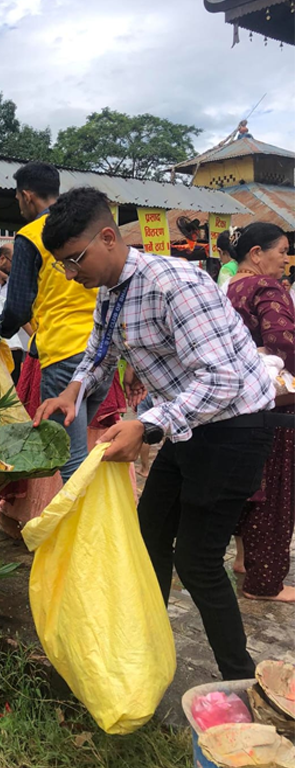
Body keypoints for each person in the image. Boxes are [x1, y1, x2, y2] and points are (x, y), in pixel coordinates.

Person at [34, 187, 275, 681]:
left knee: (198, 560)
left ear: (108, 237)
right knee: (148, 537)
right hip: (186, 423)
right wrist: (72, 393)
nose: (71, 275)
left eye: (75, 261)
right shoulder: (110, 289)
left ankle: (242, 680)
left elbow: (222, 380)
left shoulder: (174, 283)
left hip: (235, 427)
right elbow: (99, 354)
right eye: (62, 266)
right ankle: (144, 652)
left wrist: (144, 425)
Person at [0, 162, 103, 482]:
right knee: (81, 450)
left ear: (27, 196)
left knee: (68, 456)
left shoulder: (30, 236)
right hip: (102, 352)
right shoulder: (87, 227)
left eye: (17, 198)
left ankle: (81, 530)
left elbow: (17, 307)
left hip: (63, 353)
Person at [224, 223, 295, 603]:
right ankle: (265, 583)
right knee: (275, 490)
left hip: (238, 401)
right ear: (256, 253)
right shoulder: (268, 288)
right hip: (273, 402)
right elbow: (283, 341)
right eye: (281, 251)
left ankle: (243, 559)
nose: (286, 259)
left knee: (251, 483)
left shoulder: (232, 286)